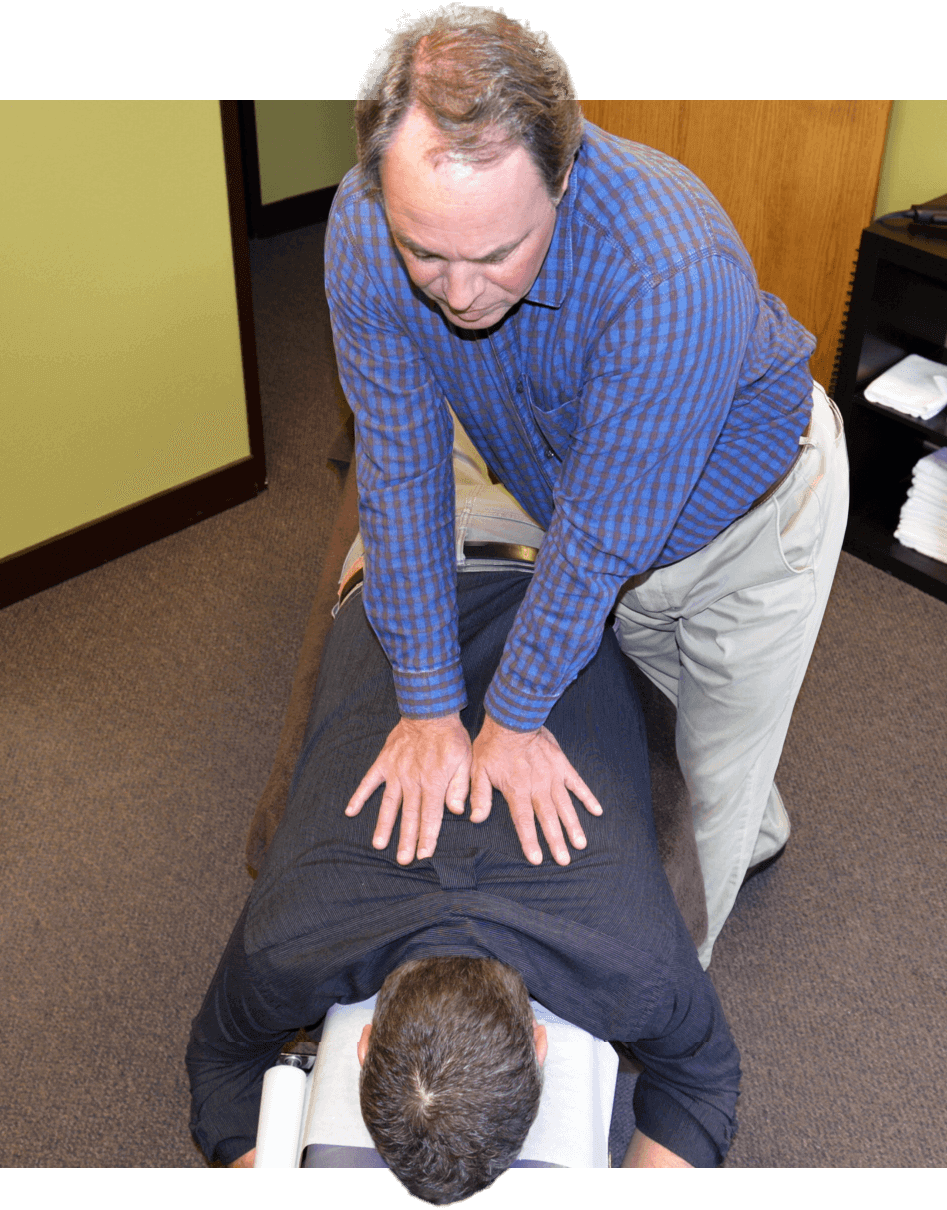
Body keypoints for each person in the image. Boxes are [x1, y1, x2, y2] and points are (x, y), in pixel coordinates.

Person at [324, 6, 850, 967]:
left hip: (751, 526)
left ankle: (651, 1015)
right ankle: (745, 774)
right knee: (668, 707)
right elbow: (399, 469)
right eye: (424, 252)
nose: (456, 291)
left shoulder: (669, 263)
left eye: (494, 254)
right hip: (580, 499)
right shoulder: (365, 225)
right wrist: (430, 708)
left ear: (563, 178)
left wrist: (511, 718)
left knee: (710, 791)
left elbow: (600, 541)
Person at [185, 436, 741, 1188]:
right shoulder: (290, 939)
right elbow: (217, 1065)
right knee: (462, 368)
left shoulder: (632, 955)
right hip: (511, 555)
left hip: (538, 547)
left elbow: (705, 1087)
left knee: (448, 377)